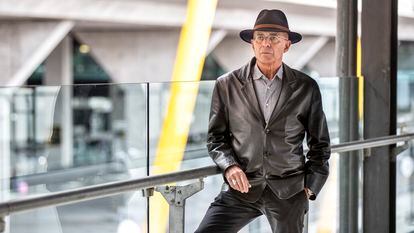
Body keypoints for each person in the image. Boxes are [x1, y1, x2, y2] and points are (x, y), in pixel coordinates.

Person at [195, 9, 331, 233]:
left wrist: (311, 186)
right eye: (260, 37)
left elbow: (320, 143)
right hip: (241, 190)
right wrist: (229, 166)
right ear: (252, 43)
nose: (266, 44)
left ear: (286, 45)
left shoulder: (306, 87)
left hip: (289, 191)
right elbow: (215, 138)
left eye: (274, 38)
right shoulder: (226, 85)